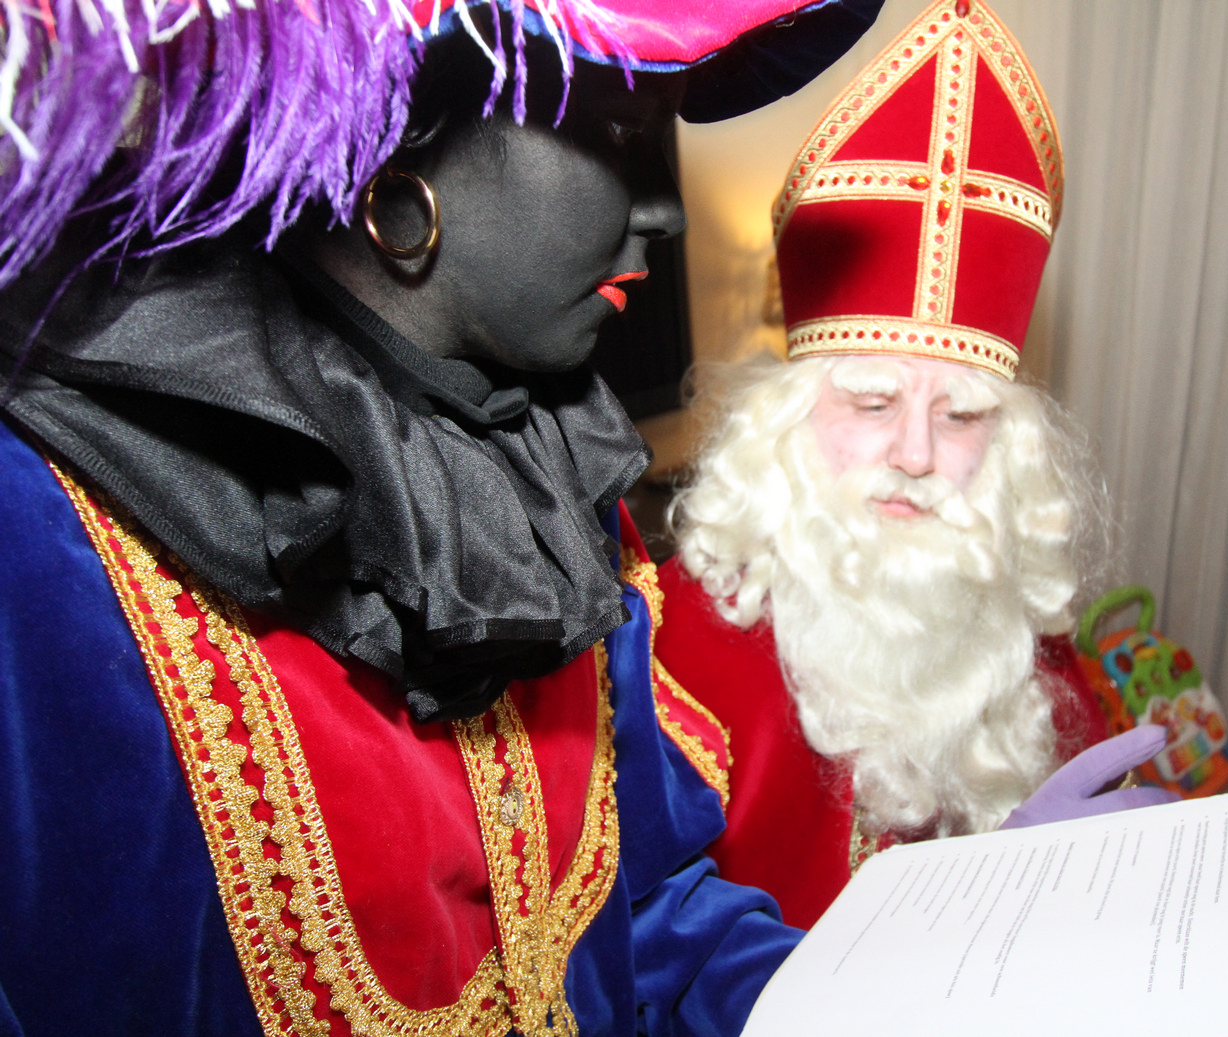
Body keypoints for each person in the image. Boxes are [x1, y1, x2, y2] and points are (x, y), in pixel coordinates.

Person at [0, 1, 884, 1034]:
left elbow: (643, 914)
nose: (667, 211)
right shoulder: (40, 530)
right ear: (398, 134)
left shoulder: (553, 477)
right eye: (618, 128)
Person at [657, 0, 1174, 931]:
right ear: (785, 418)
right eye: (871, 402)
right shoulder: (673, 661)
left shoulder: (1009, 622)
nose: (916, 455)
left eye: (961, 413)